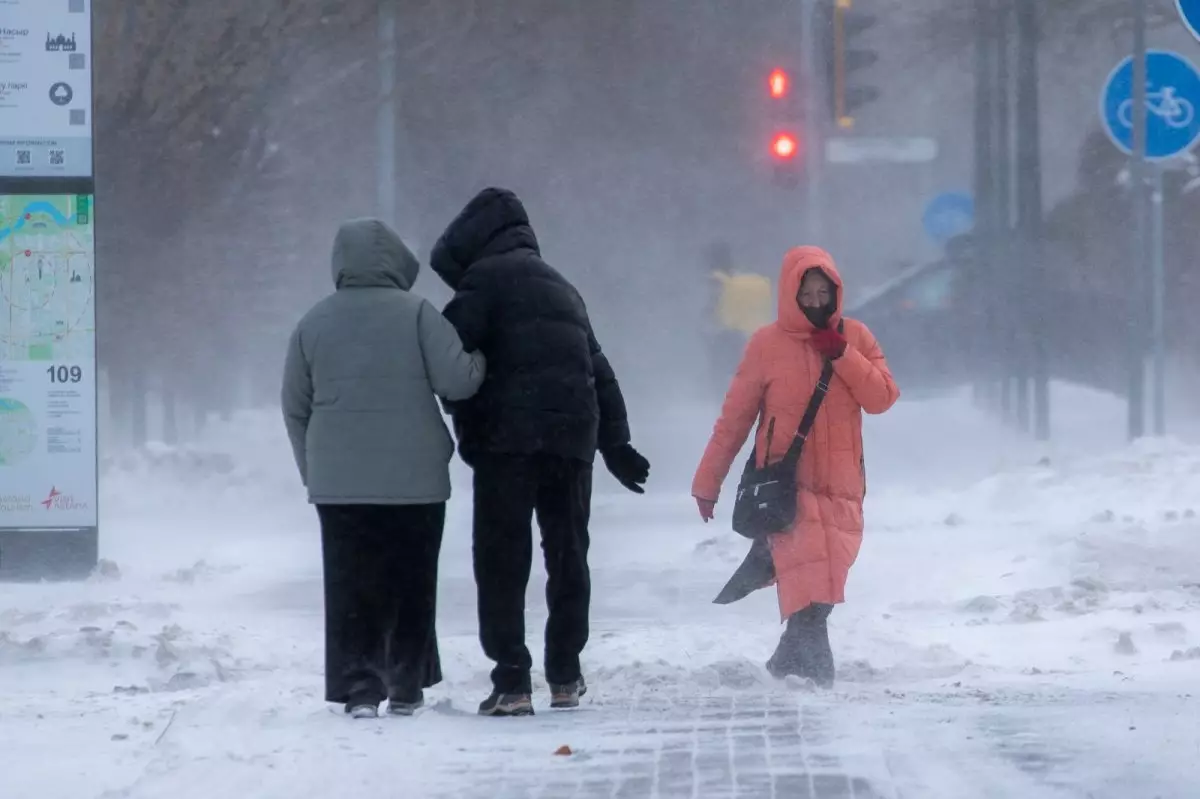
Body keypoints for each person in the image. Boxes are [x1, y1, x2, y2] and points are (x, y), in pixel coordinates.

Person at [429, 187, 650, 717]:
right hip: (571, 439)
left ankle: (511, 680)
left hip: (508, 440)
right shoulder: (563, 288)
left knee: (503, 558)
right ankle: (566, 674)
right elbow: (598, 369)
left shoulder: (484, 281)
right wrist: (616, 444)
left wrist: (459, 414)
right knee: (568, 553)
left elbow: (448, 356)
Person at [281, 218, 486, 719]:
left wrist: (314, 470)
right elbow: (458, 383)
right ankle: (406, 685)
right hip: (414, 482)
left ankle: (359, 690)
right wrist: (481, 355)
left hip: (340, 487)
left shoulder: (313, 322)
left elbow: (295, 406)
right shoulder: (418, 314)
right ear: (397, 262)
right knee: (411, 583)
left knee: (350, 585)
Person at [692, 245, 898, 688]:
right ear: (791, 293)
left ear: (837, 291)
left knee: (827, 578)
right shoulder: (766, 346)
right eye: (808, 293)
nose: (817, 302)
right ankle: (813, 673)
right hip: (788, 487)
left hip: (844, 489)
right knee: (811, 581)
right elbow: (734, 420)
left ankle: (786, 666)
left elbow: (881, 398)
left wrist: (841, 353)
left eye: (825, 292)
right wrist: (708, 482)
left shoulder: (857, 337)